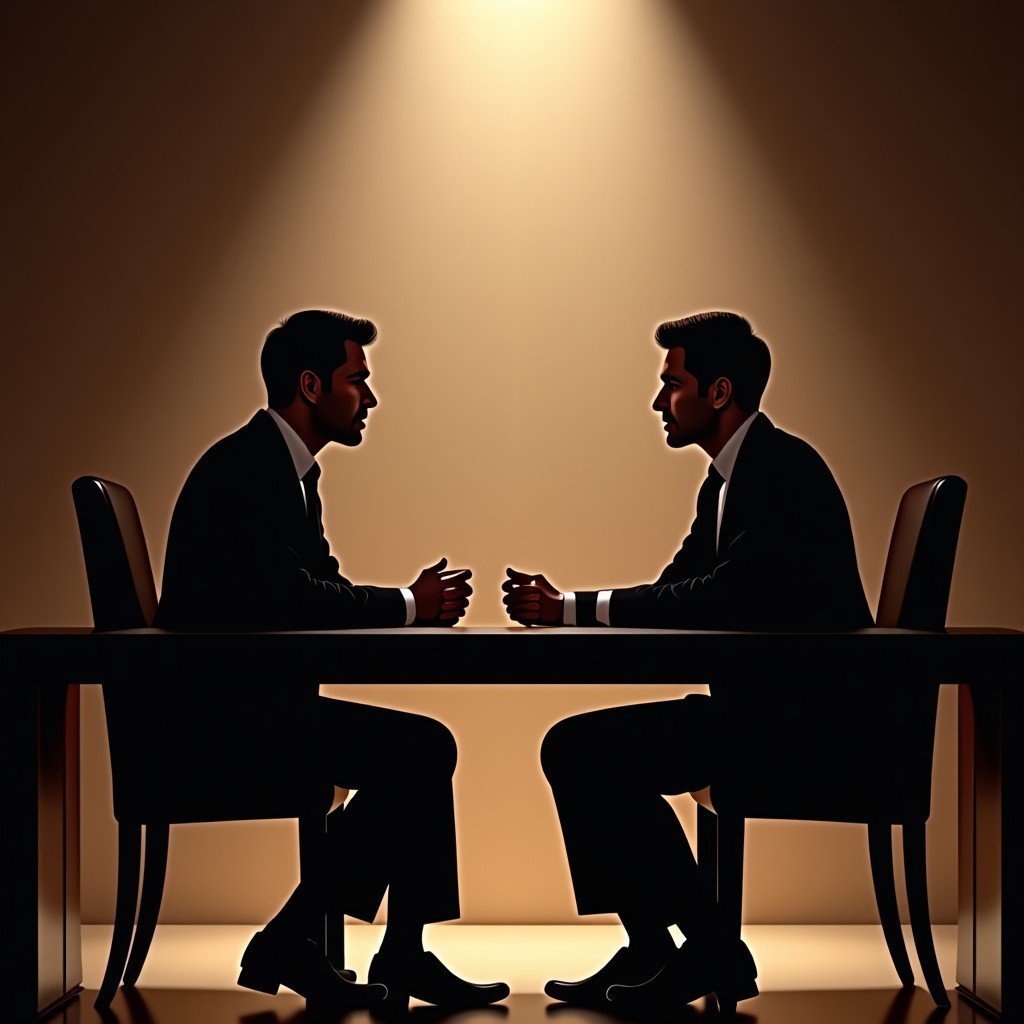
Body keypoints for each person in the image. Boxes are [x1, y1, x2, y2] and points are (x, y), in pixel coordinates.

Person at [503, 311, 872, 1012]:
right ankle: (661, 947)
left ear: (720, 391)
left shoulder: (780, 470)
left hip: (804, 728)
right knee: (578, 748)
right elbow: (679, 592)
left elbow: (722, 595)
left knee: (583, 752)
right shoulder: (728, 480)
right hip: (760, 713)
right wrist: (572, 607)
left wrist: (570, 611)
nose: (657, 401)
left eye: (671, 384)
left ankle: (708, 950)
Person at [156, 309, 509, 1013]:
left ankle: (356, 949)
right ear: (311, 385)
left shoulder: (286, 471)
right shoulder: (248, 470)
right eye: (358, 380)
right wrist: (410, 605)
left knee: (419, 750)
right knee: (419, 751)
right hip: (219, 725)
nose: (369, 399)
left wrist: (403, 604)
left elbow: (324, 591)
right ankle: (314, 943)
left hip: (250, 707)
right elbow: (293, 598)